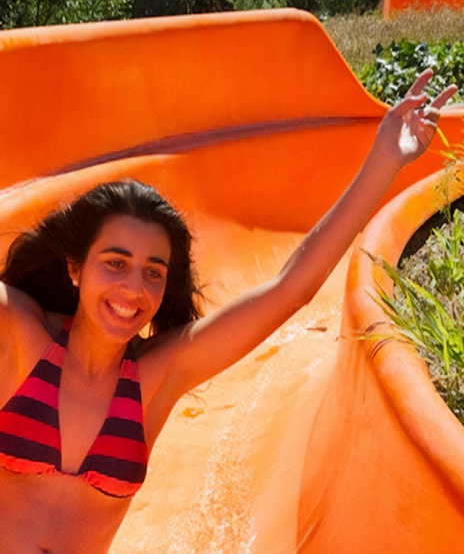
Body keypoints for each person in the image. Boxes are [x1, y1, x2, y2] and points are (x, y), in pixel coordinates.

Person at [0, 69, 457, 553]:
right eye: (116, 263)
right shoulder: (21, 338)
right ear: (76, 268)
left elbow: (289, 292)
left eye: (153, 272)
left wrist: (384, 161)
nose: (133, 289)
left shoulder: (156, 377)